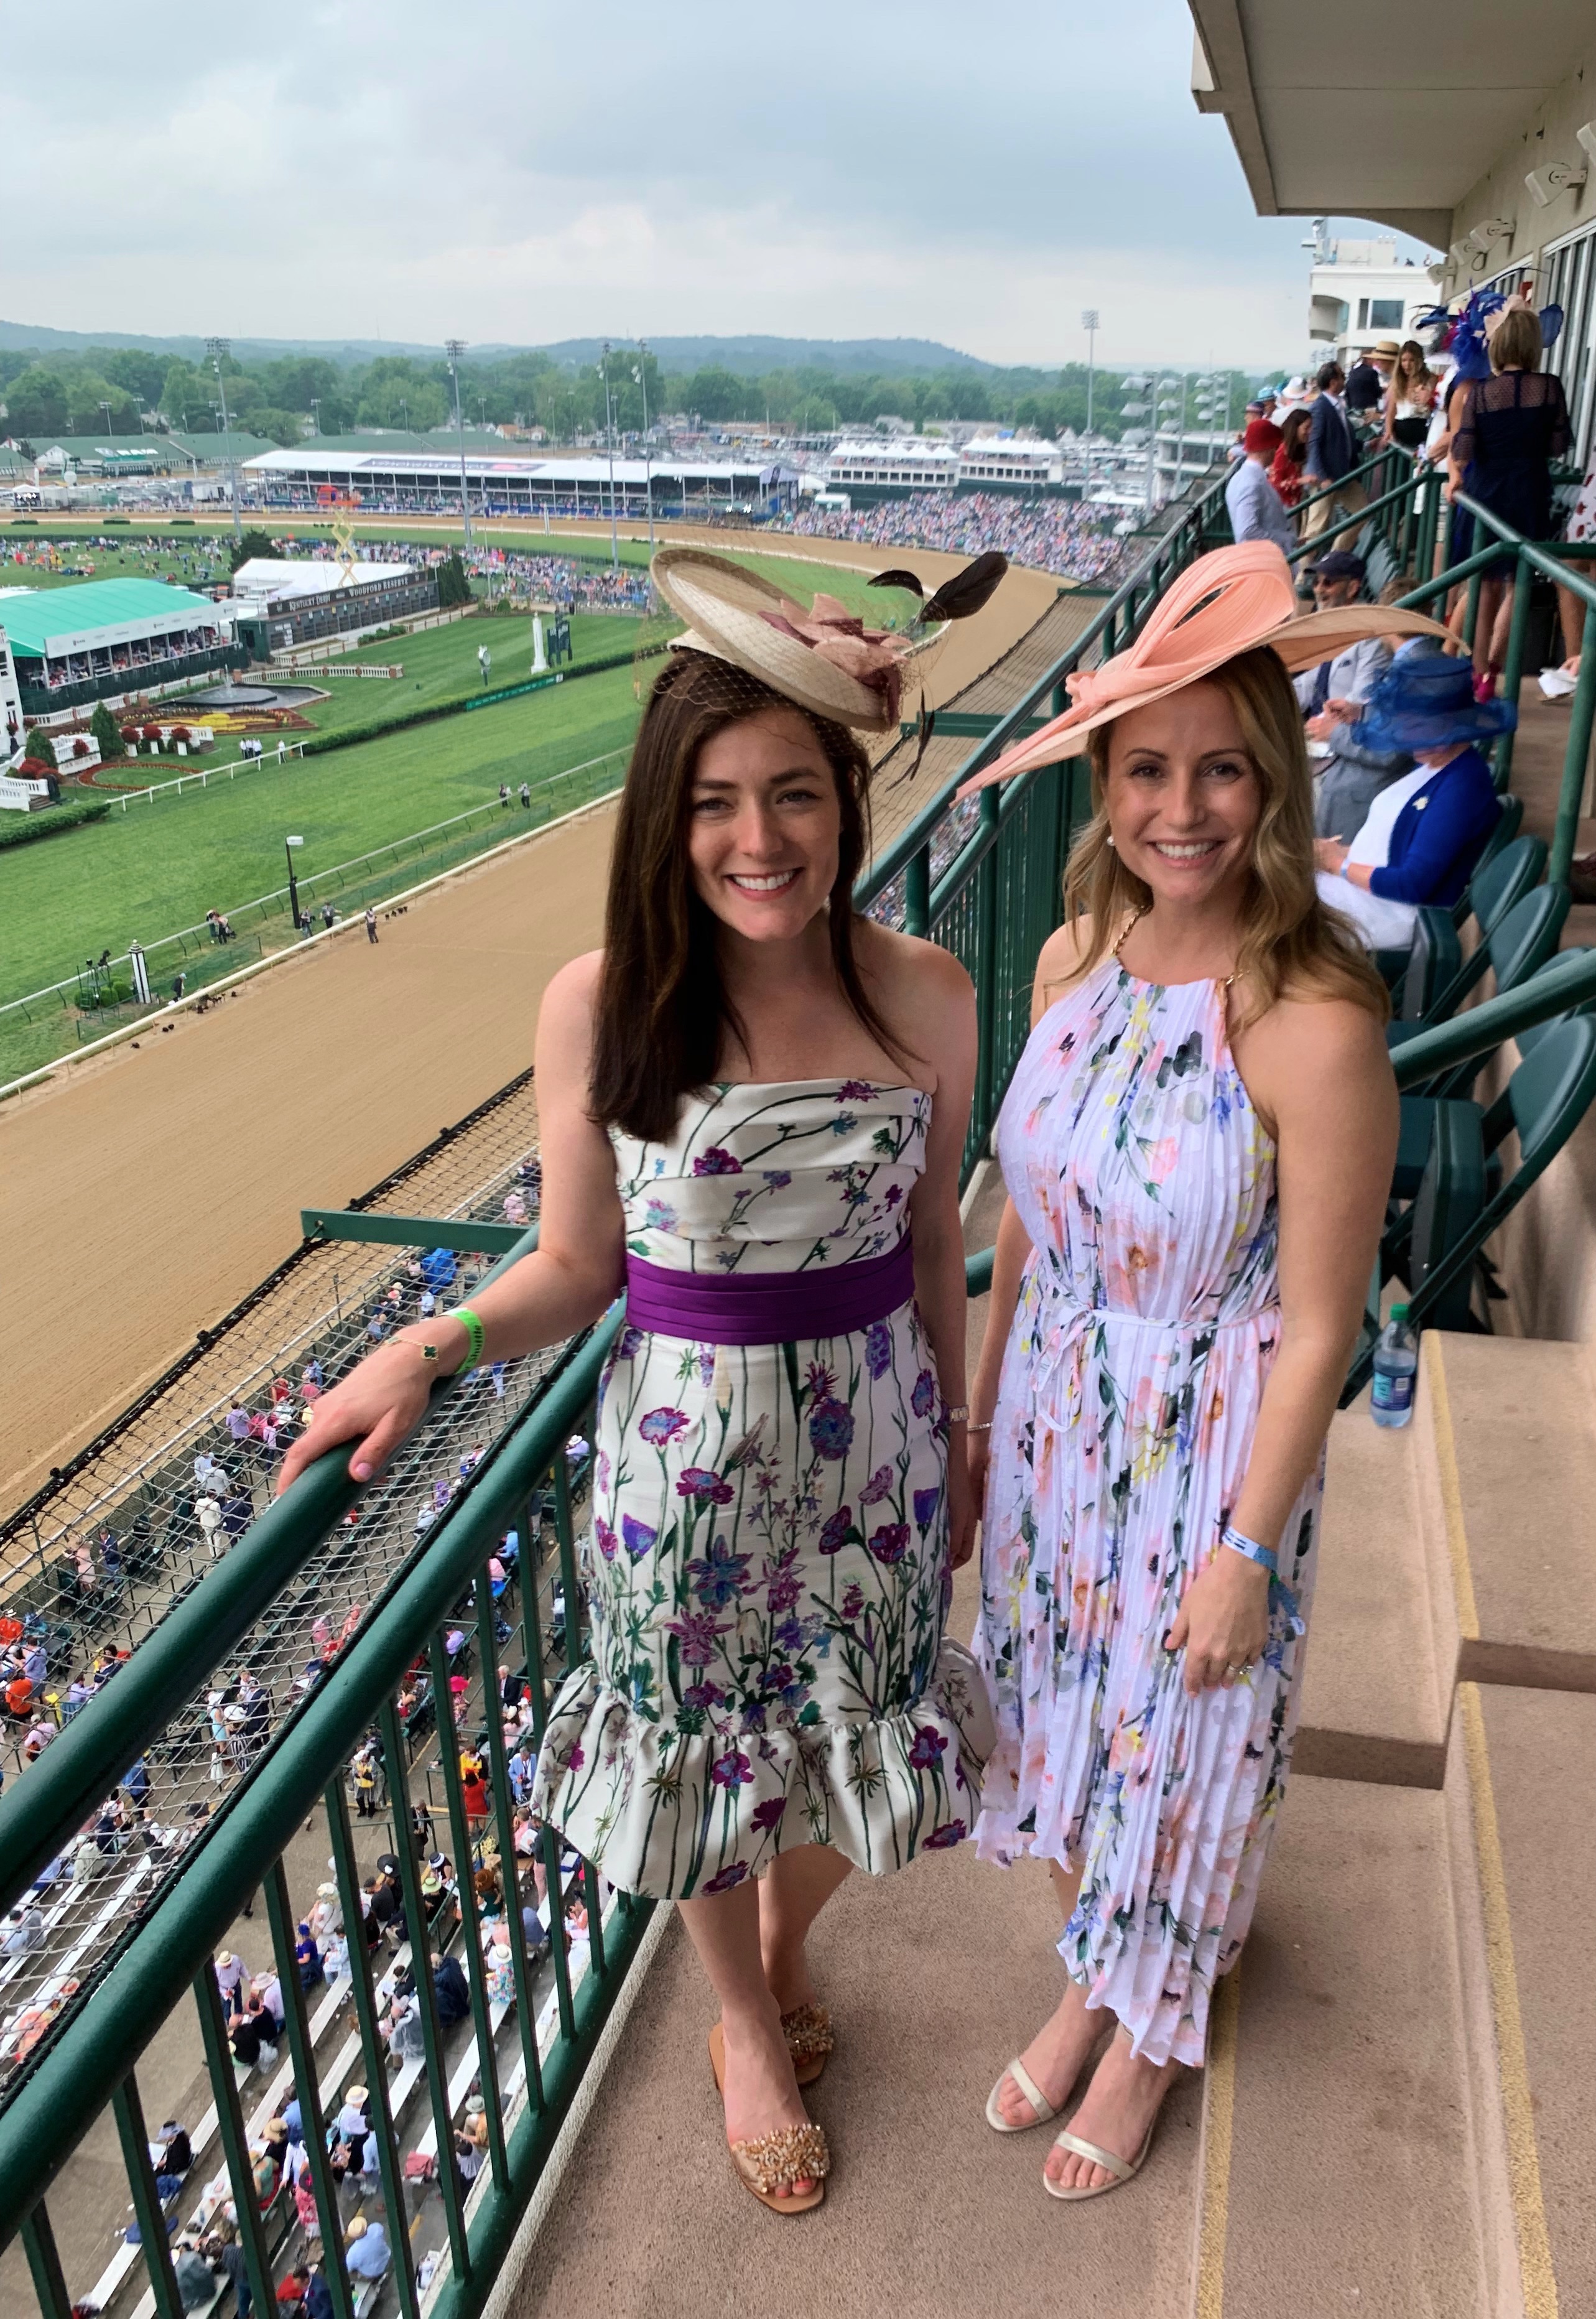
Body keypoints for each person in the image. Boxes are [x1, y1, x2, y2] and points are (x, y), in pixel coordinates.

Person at [278, 544, 1002, 2217]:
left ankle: (775, 1938)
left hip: (879, 1453)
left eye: (793, 796)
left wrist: (959, 1442)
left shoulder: (931, 994)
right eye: (714, 803)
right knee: (692, 1770)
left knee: (856, 1758)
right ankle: (741, 2015)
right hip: (682, 1480)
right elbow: (575, 1269)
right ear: (661, 825)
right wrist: (422, 1344)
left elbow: (922, 1250)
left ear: (844, 798)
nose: (758, 842)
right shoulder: (603, 1005)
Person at [957, 539, 1429, 2198]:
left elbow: (1321, 1326)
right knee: (1076, 1732)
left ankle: (1152, 2030)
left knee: (1187, 1743)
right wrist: (972, 1418)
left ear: (1272, 780)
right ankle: (1099, 1964)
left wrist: (1242, 1548)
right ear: (1100, 781)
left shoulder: (1311, 1020)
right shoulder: (1070, 966)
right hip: (1050, 1436)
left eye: (1220, 767)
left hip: (1209, 1441)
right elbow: (1024, 1214)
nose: (1181, 808)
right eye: (1146, 769)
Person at [1314, 654, 1510, 952]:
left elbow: (1413, 884)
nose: (1402, 734)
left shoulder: (1463, 787)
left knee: (1271, 908)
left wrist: (1336, 864)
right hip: (1367, 894)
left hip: (1394, 914)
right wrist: (1336, 852)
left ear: (1449, 726)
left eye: (1414, 726)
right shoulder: (1435, 764)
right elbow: (1395, 845)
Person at [1447, 304, 1570, 697]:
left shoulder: (1481, 393)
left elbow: (1463, 447)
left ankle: (1477, 671)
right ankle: (1496, 670)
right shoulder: (1550, 387)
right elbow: (1558, 444)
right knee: (1518, 584)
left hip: (1486, 492)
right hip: (1530, 490)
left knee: (1483, 585)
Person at [1292, 551, 1409, 840]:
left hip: (1340, 746)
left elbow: (1360, 700)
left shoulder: (1369, 636)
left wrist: (1324, 728)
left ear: (1353, 588)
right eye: (1318, 582)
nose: (1319, 589)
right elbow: (1306, 686)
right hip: (1320, 739)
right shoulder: (1329, 630)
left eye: (1329, 582)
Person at [1301, 362, 1365, 544]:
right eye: (1342, 377)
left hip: (1344, 475)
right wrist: (1322, 477)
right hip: (1326, 478)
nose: (1345, 380)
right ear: (1333, 381)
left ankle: (1333, 561)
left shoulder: (1337, 405)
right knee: (1316, 529)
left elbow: (1343, 439)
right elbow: (1314, 443)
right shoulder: (1320, 408)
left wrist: (1366, 445)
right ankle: (1303, 573)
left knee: (1363, 512)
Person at [1223, 420, 1294, 555]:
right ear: (1271, 448)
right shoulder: (1253, 482)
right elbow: (1247, 531)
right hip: (1265, 560)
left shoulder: (1241, 478)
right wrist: (1286, 540)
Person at [1380, 340, 1437, 452]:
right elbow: (1391, 411)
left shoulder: (1430, 379)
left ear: (1419, 361)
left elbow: (1434, 404)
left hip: (1422, 430)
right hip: (1401, 432)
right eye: (1404, 360)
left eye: (1412, 360)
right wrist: (1389, 431)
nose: (1407, 365)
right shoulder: (1397, 382)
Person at [1268, 407, 1312, 511]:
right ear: (1295, 428)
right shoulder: (1282, 452)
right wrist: (1301, 481)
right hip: (1281, 506)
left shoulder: (1298, 450)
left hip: (1292, 504)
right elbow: (1275, 484)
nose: (1310, 432)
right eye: (1307, 428)